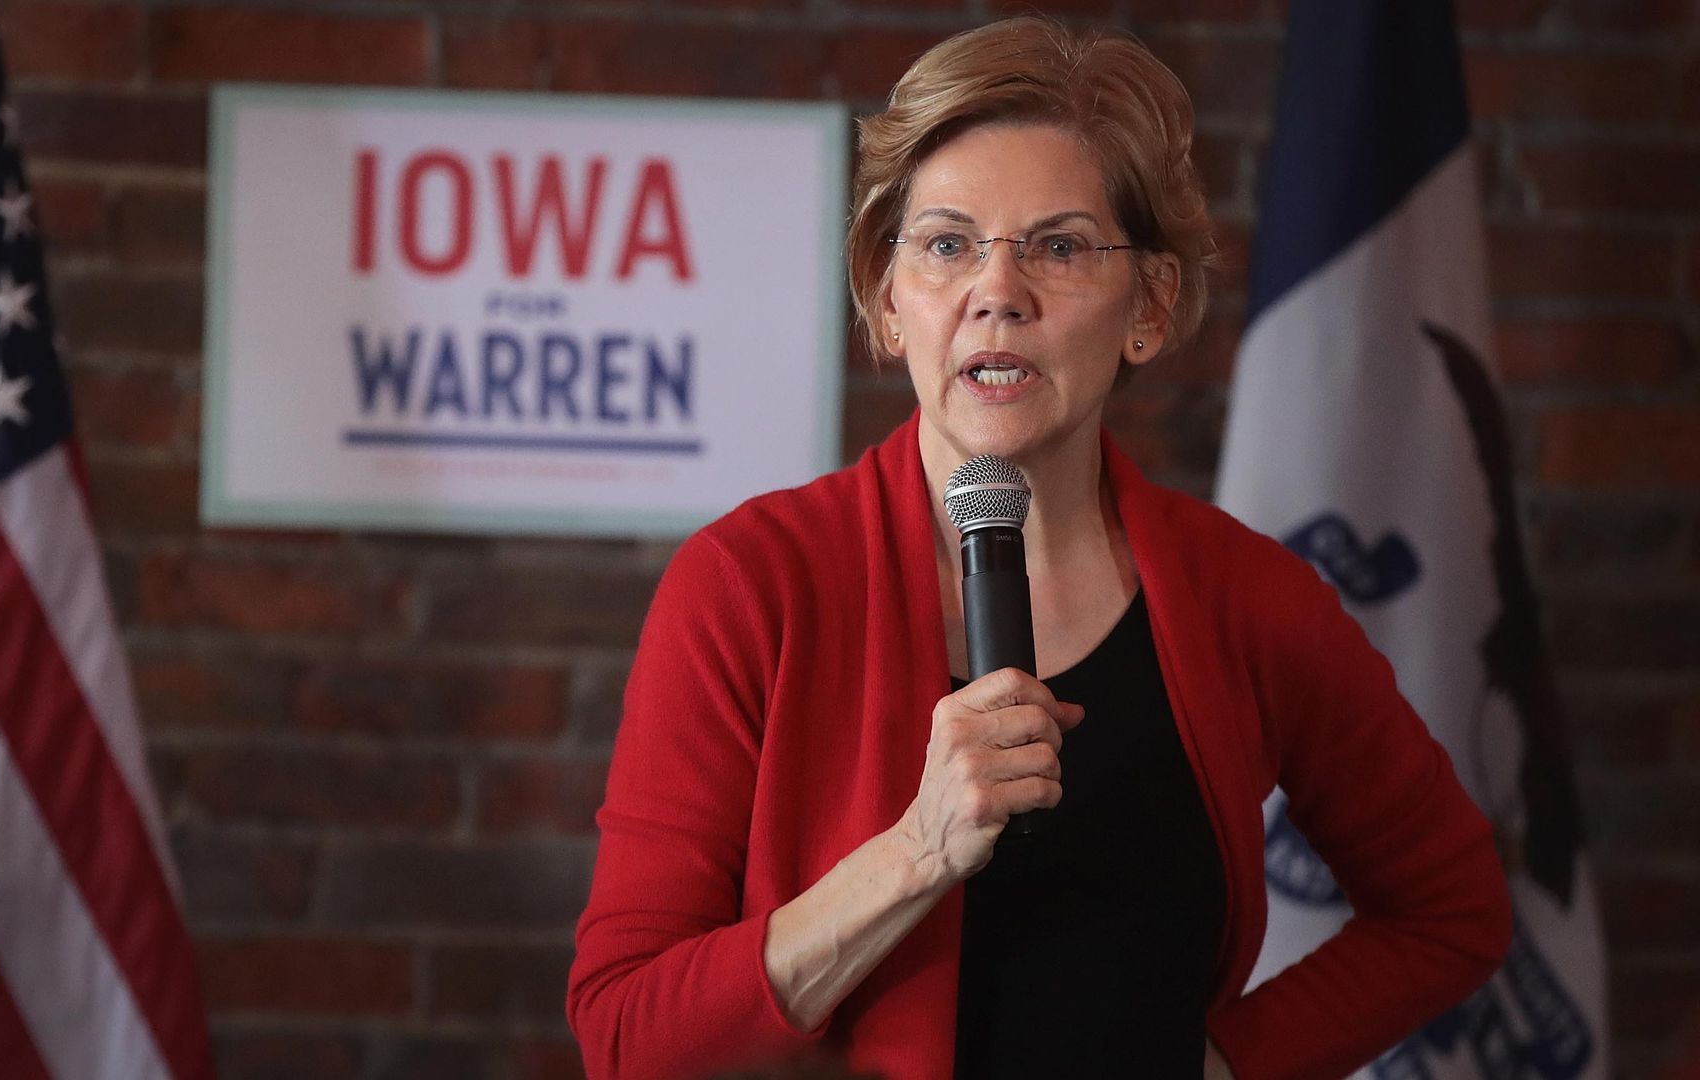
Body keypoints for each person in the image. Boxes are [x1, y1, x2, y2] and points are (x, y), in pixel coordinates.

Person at [567, 17, 1512, 1080]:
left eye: (1059, 247)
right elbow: (627, 1034)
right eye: (947, 244)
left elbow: (1453, 907)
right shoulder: (748, 586)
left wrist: (1233, 1062)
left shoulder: (1247, 599)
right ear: (887, 299)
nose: (998, 292)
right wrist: (916, 853)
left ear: (1149, 305)